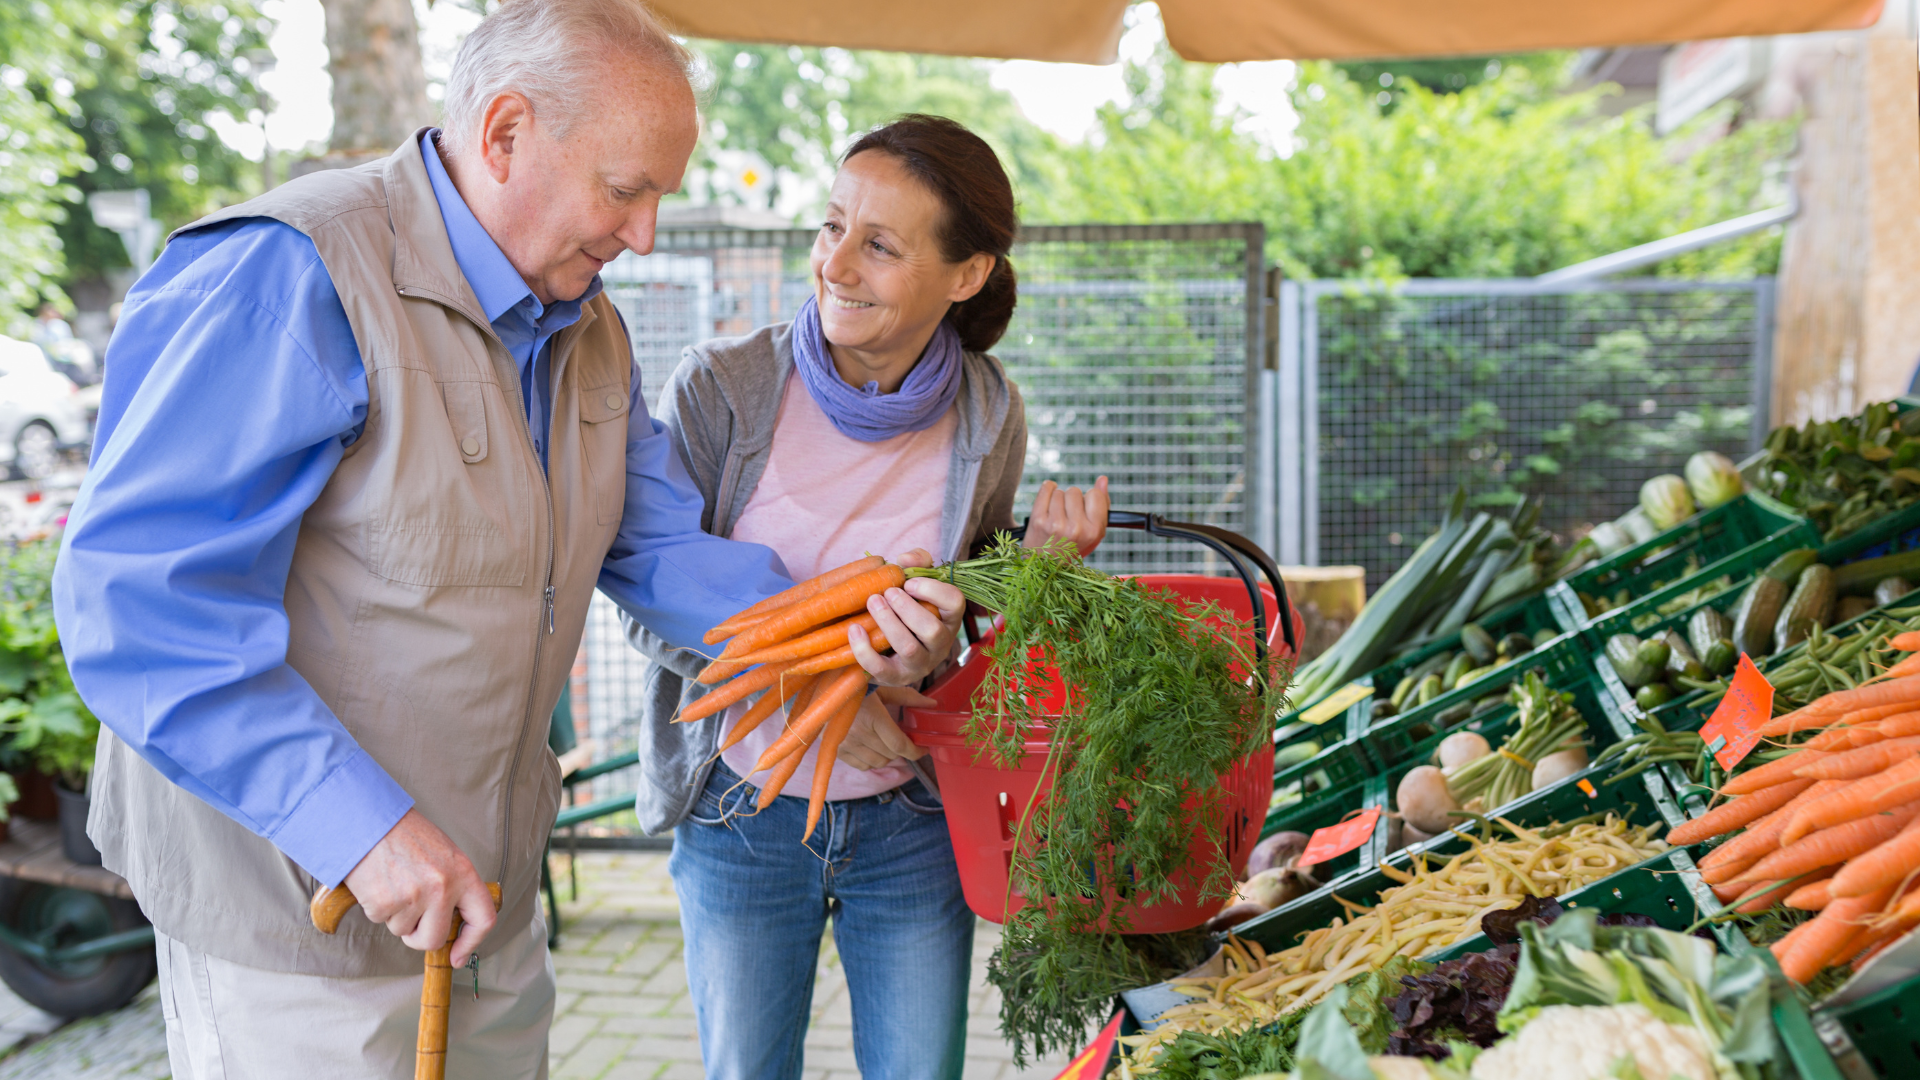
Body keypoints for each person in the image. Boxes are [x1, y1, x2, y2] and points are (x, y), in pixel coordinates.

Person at [49, 3, 964, 1077]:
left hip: (487, 904)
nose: (645, 234)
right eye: (626, 190)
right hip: (303, 914)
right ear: (505, 133)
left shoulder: (590, 325)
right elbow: (142, 609)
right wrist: (362, 830)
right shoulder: (292, 274)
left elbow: (663, 548)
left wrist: (856, 633)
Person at [626, 114, 1110, 1080]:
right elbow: (650, 595)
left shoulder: (988, 408)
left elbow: (969, 598)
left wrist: (1040, 567)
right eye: (831, 226)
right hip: (742, 806)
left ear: (964, 275)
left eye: (881, 245)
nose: (837, 264)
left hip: (910, 819)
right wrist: (814, 699)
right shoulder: (725, 390)